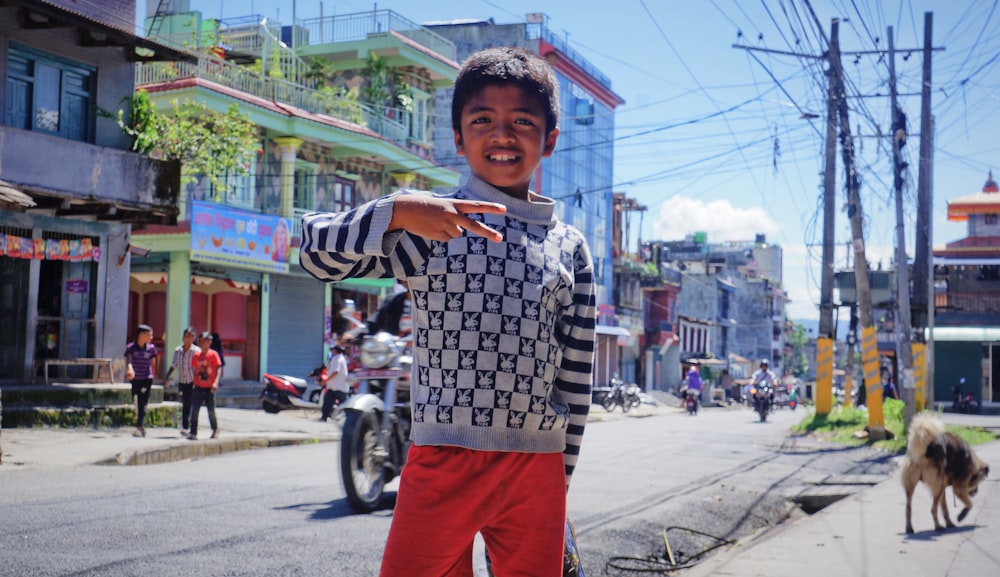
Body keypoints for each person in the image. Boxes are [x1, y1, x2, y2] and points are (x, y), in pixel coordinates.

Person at [300, 46, 596, 577]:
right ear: (458, 137)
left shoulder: (570, 247)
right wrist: (398, 211)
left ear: (549, 139)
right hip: (440, 459)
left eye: (522, 121)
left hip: (536, 469)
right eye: (482, 120)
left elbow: (575, 377)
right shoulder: (427, 226)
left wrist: (561, 483)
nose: (502, 134)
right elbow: (314, 252)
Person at [163, 326, 201, 436]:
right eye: (185, 336)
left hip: (193, 381)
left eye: (189, 337)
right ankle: (185, 426)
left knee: (192, 404)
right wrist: (167, 376)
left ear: (193, 338)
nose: (187, 339)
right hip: (183, 381)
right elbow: (174, 365)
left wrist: (197, 381)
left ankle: (192, 427)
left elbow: (197, 368)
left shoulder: (196, 351)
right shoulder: (178, 350)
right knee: (185, 404)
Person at [188, 332, 222, 440]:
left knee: (210, 410)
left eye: (204, 341)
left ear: (209, 342)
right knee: (195, 409)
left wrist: (216, 382)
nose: (202, 343)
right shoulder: (196, 355)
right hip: (198, 386)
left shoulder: (213, 355)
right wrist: (193, 382)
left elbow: (218, 369)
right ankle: (193, 432)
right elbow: (194, 369)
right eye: (200, 341)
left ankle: (215, 429)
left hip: (209, 387)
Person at [125, 324, 158, 438]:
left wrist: (153, 375)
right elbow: (129, 360)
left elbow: (153, 363)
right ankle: (140, 425)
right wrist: (130, 369)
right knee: (135, 399)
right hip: (135, 379)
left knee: (143, 402)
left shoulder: (151, 348)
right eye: (149, 335)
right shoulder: (130, 347)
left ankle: (140, 426)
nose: (151, 337)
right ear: (141, 335)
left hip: (146, 378)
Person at [319, 345, 351, 421]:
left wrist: (325, 381)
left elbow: (335, 372)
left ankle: (349, 419)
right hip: (333, 386)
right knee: (327, 402)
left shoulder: (338, 359)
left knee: (343, 404)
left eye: (333, 350)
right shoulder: (336, 358)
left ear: (336, 351)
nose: (332, 351)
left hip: (339, 386)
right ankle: (324, 417)